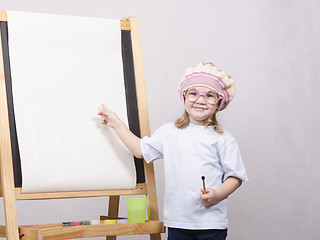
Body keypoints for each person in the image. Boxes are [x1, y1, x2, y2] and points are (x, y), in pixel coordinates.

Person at [98, 62, 248, 240]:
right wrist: (116, 124)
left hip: (212, 224)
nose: (200, 100)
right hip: (178, 223)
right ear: (184, 97)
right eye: (193, 93)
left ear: (219, 103)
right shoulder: (169, 133)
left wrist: (217, 194)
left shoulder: (224, 139)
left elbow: (235, 177)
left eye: (209, 95)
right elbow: (140, 150)